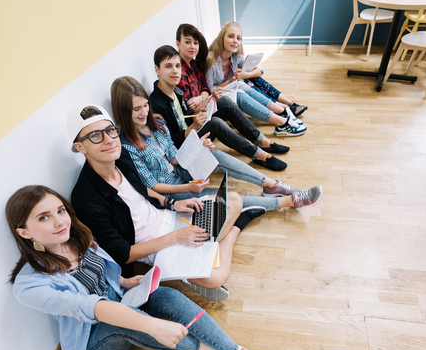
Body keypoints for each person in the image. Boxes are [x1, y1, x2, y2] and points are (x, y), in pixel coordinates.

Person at [6, 184, 299, 350]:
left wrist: (124, 282)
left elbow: (104, 276)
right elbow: (95, 308)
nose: (59, 221)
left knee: (166, 295)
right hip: (94, 342)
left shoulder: (79, 239)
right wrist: (153, 325)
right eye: (43, 218)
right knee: (119, 320)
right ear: (24, 232)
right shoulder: (29, 285)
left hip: (122, 305)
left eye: (60, 211)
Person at [68, 104, 241, 301]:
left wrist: (171, 203)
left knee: (234, 200)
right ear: (80, 147)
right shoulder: (86, 199)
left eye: (110, 131)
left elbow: (141, 188)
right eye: (95, 136)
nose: (109, 140)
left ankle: (198, 258)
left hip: (170, 217)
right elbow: (125, 254)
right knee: (216, 277)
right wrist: (176, 237)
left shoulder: (122, 155)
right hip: (154, 245)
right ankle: (232, 232)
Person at [110, 75, 323, 220]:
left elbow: (174, 158)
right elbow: (153, 187)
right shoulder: (126, 148)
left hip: (181, 170)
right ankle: (288, 201)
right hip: (172, 192)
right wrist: (188, 188)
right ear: (122, 112)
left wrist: (196, 147)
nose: (143, 112)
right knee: (226, 199)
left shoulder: (156, 123)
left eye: (145, 105)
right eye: (136, 109)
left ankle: (272, 185)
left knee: (216, 153)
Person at [149, 45, 288, 171]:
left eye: (177, 66)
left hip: (190, 132)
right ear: (157, 69)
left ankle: (262, 141)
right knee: (216, 124)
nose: (175, 71)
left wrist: (205, 107)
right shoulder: (156, 105)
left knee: (224, 101)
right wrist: (195, 126)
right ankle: (259, 155)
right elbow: (172, 144)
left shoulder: (175, 91)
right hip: (183, 149)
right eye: (168, 66)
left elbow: (185, 115)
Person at [175, 23, 290, 156]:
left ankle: (274, 122)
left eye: (195, 43)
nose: (192, 47)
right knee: (234, 95)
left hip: (207, 105)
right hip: (197, 120)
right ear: (178, 44)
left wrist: (203, 97)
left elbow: (204, 87)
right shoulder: (183, 71)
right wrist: (206, 98)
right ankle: (275, 125)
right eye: (188, 42)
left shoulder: (194, 64)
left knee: (245, 84)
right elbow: (193, 108)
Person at [206, 22, 308, 137]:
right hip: (215, 105)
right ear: (222, 38)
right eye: (231, 36)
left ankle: (282, 112)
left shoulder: (235, 57)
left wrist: (245, 75)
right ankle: (282, 122)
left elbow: (259, 69)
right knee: (239, 88)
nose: (235, 40)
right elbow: (209, 94)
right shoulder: (211, 61)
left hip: (229, 94)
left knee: (242, 84)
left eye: (238, 38)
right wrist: (232, 81)